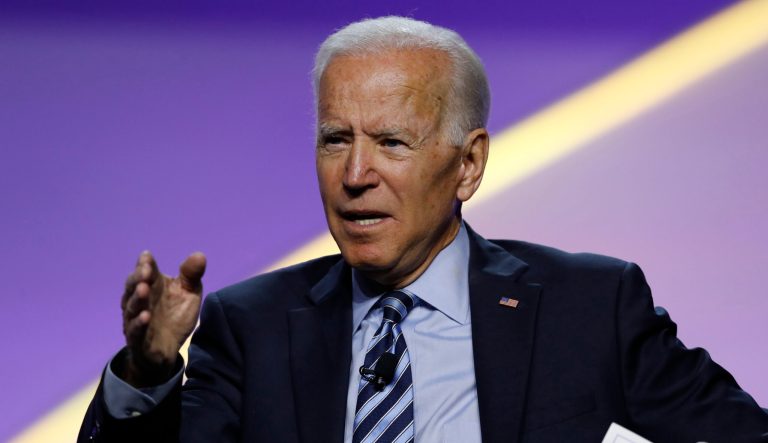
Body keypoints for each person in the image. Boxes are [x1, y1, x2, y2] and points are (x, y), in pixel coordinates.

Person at [79, 16, 768, 443]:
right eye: (333, 139)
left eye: (392, 143)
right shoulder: (251, 326)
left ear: (467, 165)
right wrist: (148, 372)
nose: (354, 174)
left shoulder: (588, 307)